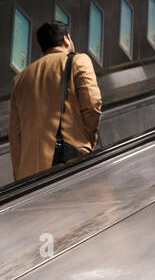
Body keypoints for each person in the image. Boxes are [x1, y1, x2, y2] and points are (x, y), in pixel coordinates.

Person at [9, 21, 102, 181]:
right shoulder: (78, 61)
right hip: (69, 163)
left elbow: (15, 135)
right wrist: (87, 141)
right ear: (67, 39)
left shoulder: (20, 79)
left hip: (30, 173)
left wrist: (19, 177)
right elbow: (93, 104)